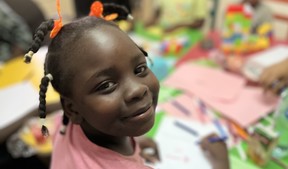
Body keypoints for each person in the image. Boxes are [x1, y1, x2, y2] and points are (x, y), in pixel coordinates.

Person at [24, 1, 230, 168]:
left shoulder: (67, 123)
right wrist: (221, 165)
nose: (138, 89)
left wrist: (130, 144)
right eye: (105, 85)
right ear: (72, 108)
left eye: (140, 69)